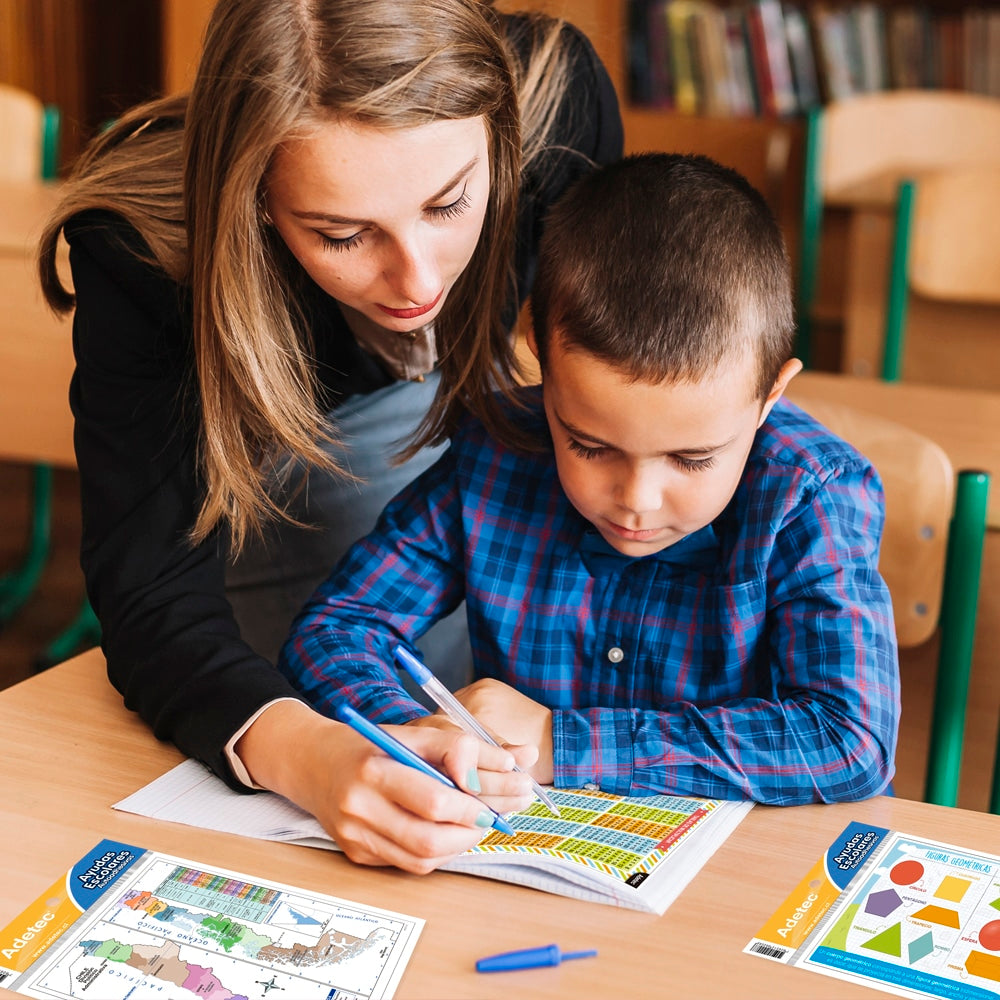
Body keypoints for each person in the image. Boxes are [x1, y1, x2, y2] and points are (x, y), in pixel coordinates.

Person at [36, 0, 622, 829]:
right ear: (257, 199)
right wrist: (310, 756)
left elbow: (614, 377)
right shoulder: (144, 251)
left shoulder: (558, 99)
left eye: (450, 203)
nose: (418, 281)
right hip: (271, 521)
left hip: (468, 475)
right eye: (343, 234)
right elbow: (154, 588)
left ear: (501, 127)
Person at [278, 152, 902, 870]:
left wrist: (559, 743)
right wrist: (421, 732)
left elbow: (850, 739)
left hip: (732, 885)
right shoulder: (499, 452)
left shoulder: (809, 495)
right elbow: (338, 628)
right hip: (527, 870)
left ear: (770, 396)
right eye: (590, 445)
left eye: (692, 460)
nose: (636, 500)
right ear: (541, 362)